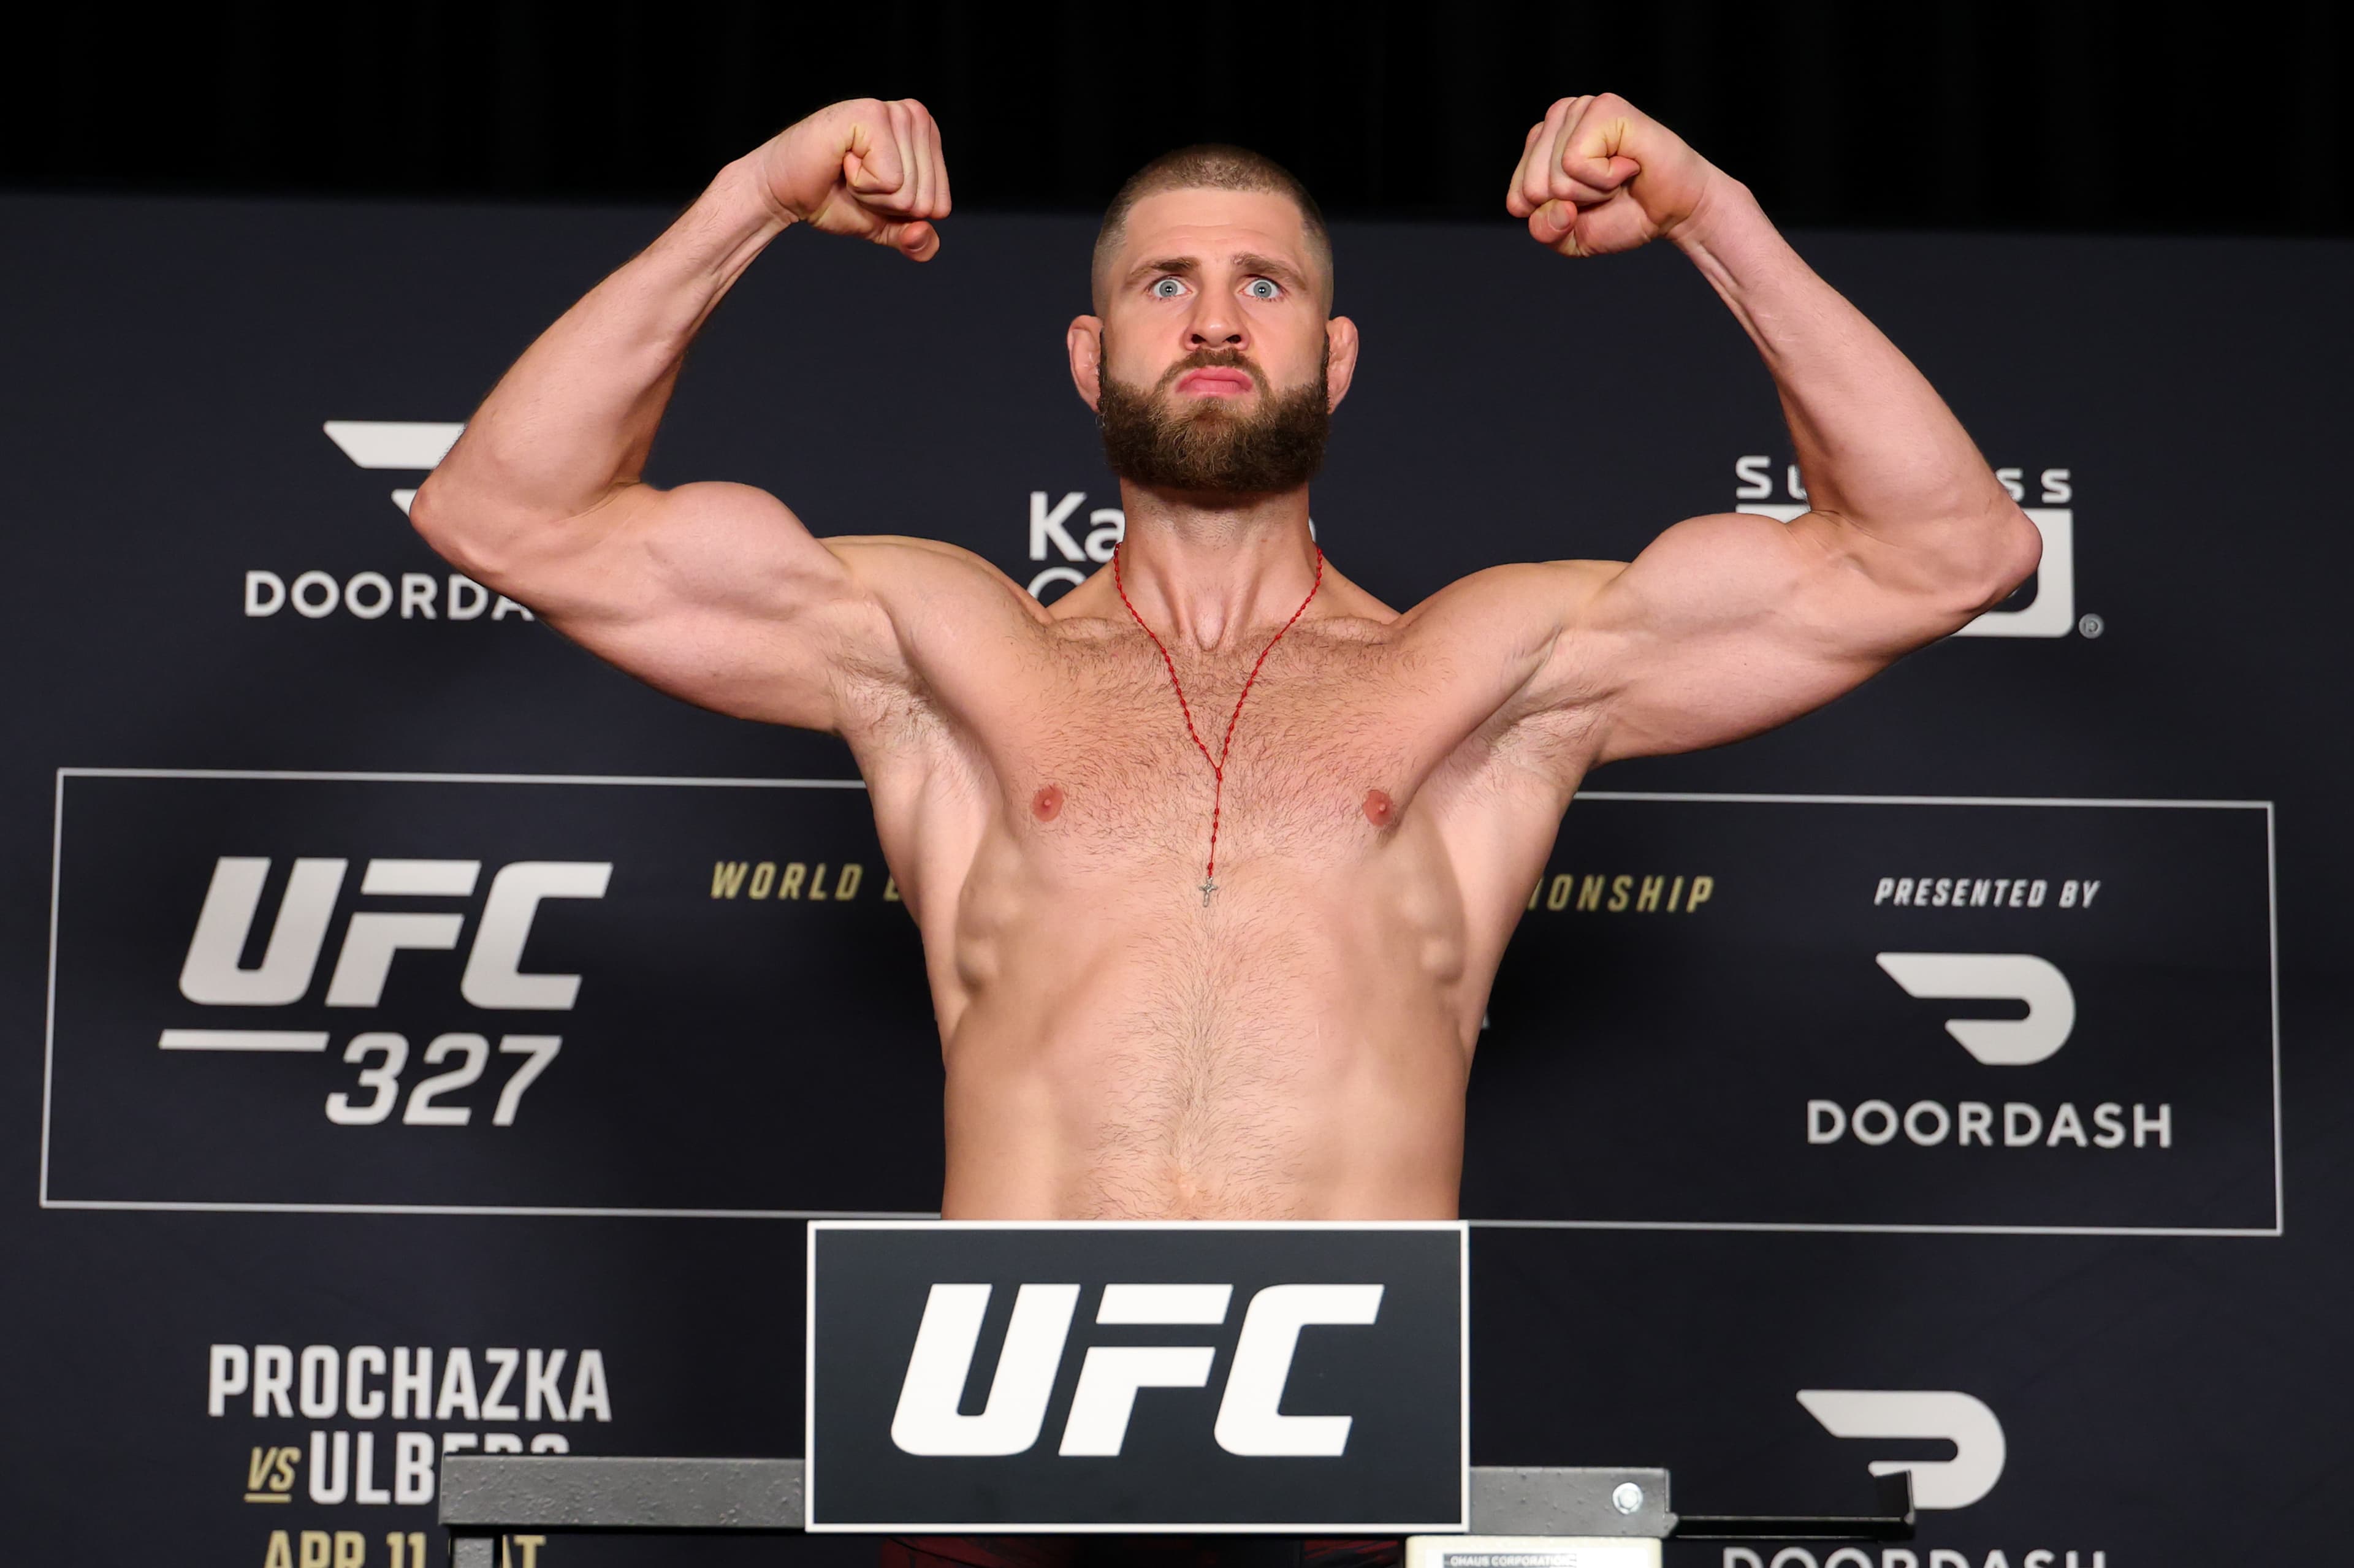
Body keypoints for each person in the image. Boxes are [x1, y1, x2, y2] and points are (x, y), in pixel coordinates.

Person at [411, 93, 2036, 1226]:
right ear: (1088, 352)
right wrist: (752, 196)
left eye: (1264, 284)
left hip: (1342, 1457)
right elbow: (511, 513)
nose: (1213, 319)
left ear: (1332, 359)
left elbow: (1948, 552)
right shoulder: (940, 653)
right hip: (1000, 1462)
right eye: (1163, 284)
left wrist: (1714, 214)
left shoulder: (1492, 676)